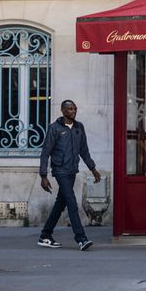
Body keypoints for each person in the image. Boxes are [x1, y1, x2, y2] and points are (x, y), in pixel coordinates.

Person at [37, 100, 101, 251]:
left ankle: (45, 235)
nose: (73, 111)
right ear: (63, 111)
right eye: (70, 109)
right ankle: (81, 239)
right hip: (60, 171)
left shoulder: (79, 127)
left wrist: (93, 169)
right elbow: (45, 153)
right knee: (72, 203)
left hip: (72, 170)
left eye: (75, 109)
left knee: (61, 204)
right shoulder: (54, 128)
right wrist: (43, 176)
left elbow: (84, 151)